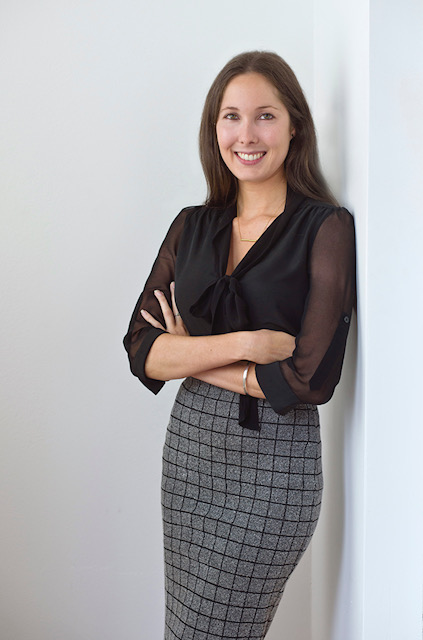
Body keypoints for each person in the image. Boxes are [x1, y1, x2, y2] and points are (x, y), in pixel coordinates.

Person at [124, 50, 356, 640]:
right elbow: (140, 348)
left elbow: (310, 380)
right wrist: (250, 345)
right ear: (214, 129)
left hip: (276, 465)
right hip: (190, 458)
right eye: (231, 117)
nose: (246, 135)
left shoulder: (324, 228)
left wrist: (192, 355)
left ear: (294, 124)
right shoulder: (191, 226)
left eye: (265, 116)